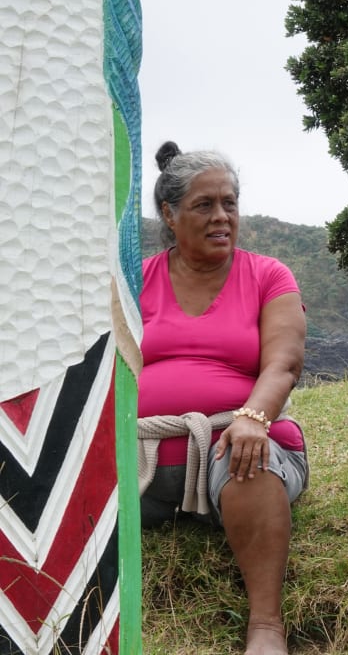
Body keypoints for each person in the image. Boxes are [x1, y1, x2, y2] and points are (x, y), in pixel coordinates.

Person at [137, 141, 308, 655]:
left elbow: (284, 362)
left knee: (246, 458)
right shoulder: (133, 279)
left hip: (235, 444)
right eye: (204, 205)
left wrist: (253, 418)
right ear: (169, 214)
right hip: (141, 459)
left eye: (229, 203)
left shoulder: (268, 275)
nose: (221, 217)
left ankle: (265, 626)